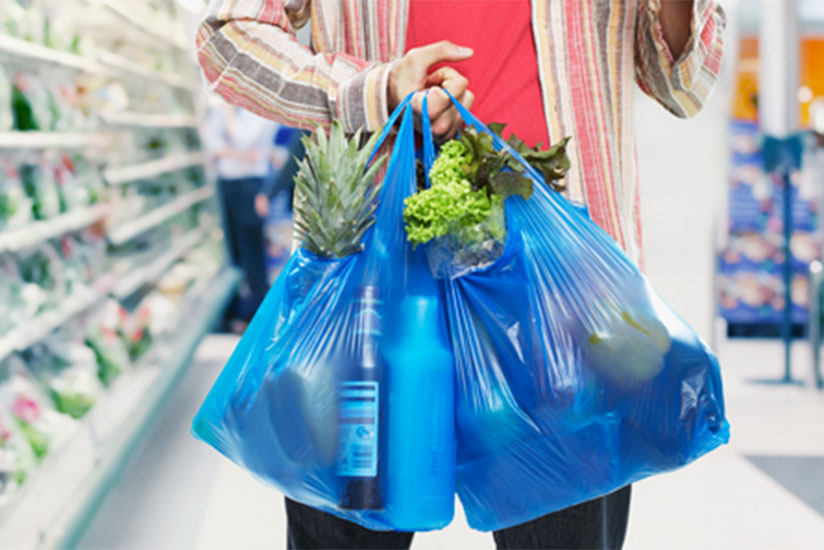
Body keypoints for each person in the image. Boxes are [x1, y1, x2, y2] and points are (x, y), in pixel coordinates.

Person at [195, 1, 726, 548]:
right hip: (370, 289)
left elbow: (680, 81)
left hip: (563, 297)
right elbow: (227, 37)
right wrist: (374, 90)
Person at [203, 102, 280, 327]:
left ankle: (258, 311)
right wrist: (238, 155)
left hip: (251, 185)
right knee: (234, 249)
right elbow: (211, 143)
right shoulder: (222, 107)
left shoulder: (258, 109)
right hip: (227, 183)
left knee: (252, 249)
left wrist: (228, 116)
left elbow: (242, 138)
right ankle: (241, 309)